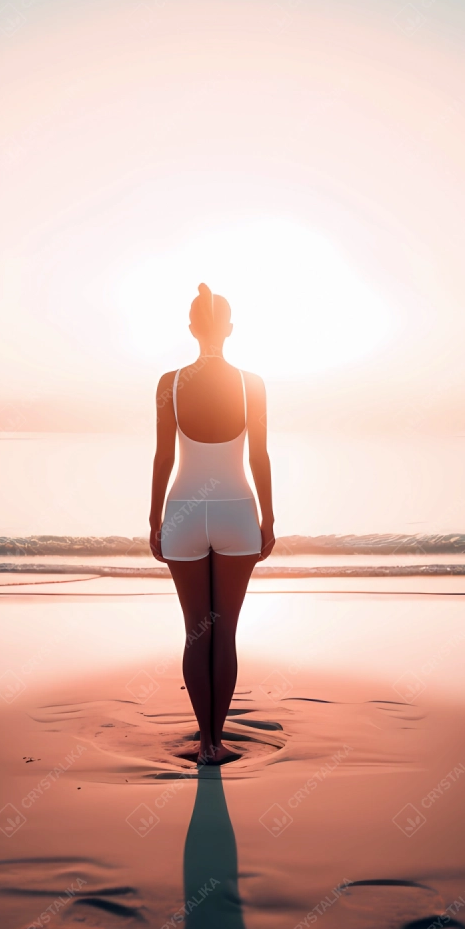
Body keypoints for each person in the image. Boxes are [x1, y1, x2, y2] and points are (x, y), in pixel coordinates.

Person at [149, 284, 275, 765]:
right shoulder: (253, 384)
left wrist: (154, 516)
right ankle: (217, 742)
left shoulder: (169, 383)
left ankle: (203, 741)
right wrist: (268, 515)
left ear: (191, 329)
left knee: (195, 634)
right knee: (225, 634)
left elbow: (163, 456)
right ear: (228, 328)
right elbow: (260, 456)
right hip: (237, 510)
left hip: (182, 510)